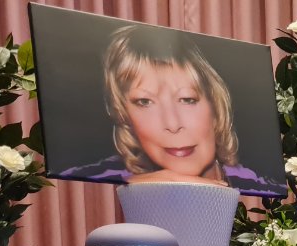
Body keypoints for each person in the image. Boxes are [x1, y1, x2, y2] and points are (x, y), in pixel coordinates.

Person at [62, 25, 277, 194]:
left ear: (215, 105)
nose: (172, 124)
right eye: (145, 102)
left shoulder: (265, 191)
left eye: (187, 99)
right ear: (124, 114)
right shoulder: (87, 182)